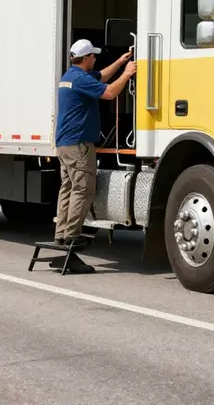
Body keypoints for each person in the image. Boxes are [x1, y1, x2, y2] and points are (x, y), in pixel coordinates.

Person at [52, 38, 136, 266]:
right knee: (83, 190)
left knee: (68, 188)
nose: (96, 59)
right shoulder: (80, 80)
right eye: (93, 56)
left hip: (65, 143)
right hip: (79, 145)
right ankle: (71, 236)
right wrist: (127, 74)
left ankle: (61, 234)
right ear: (86, 58)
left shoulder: (70, 77)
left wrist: (120, 61)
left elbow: (102, 76)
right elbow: (109, 92)